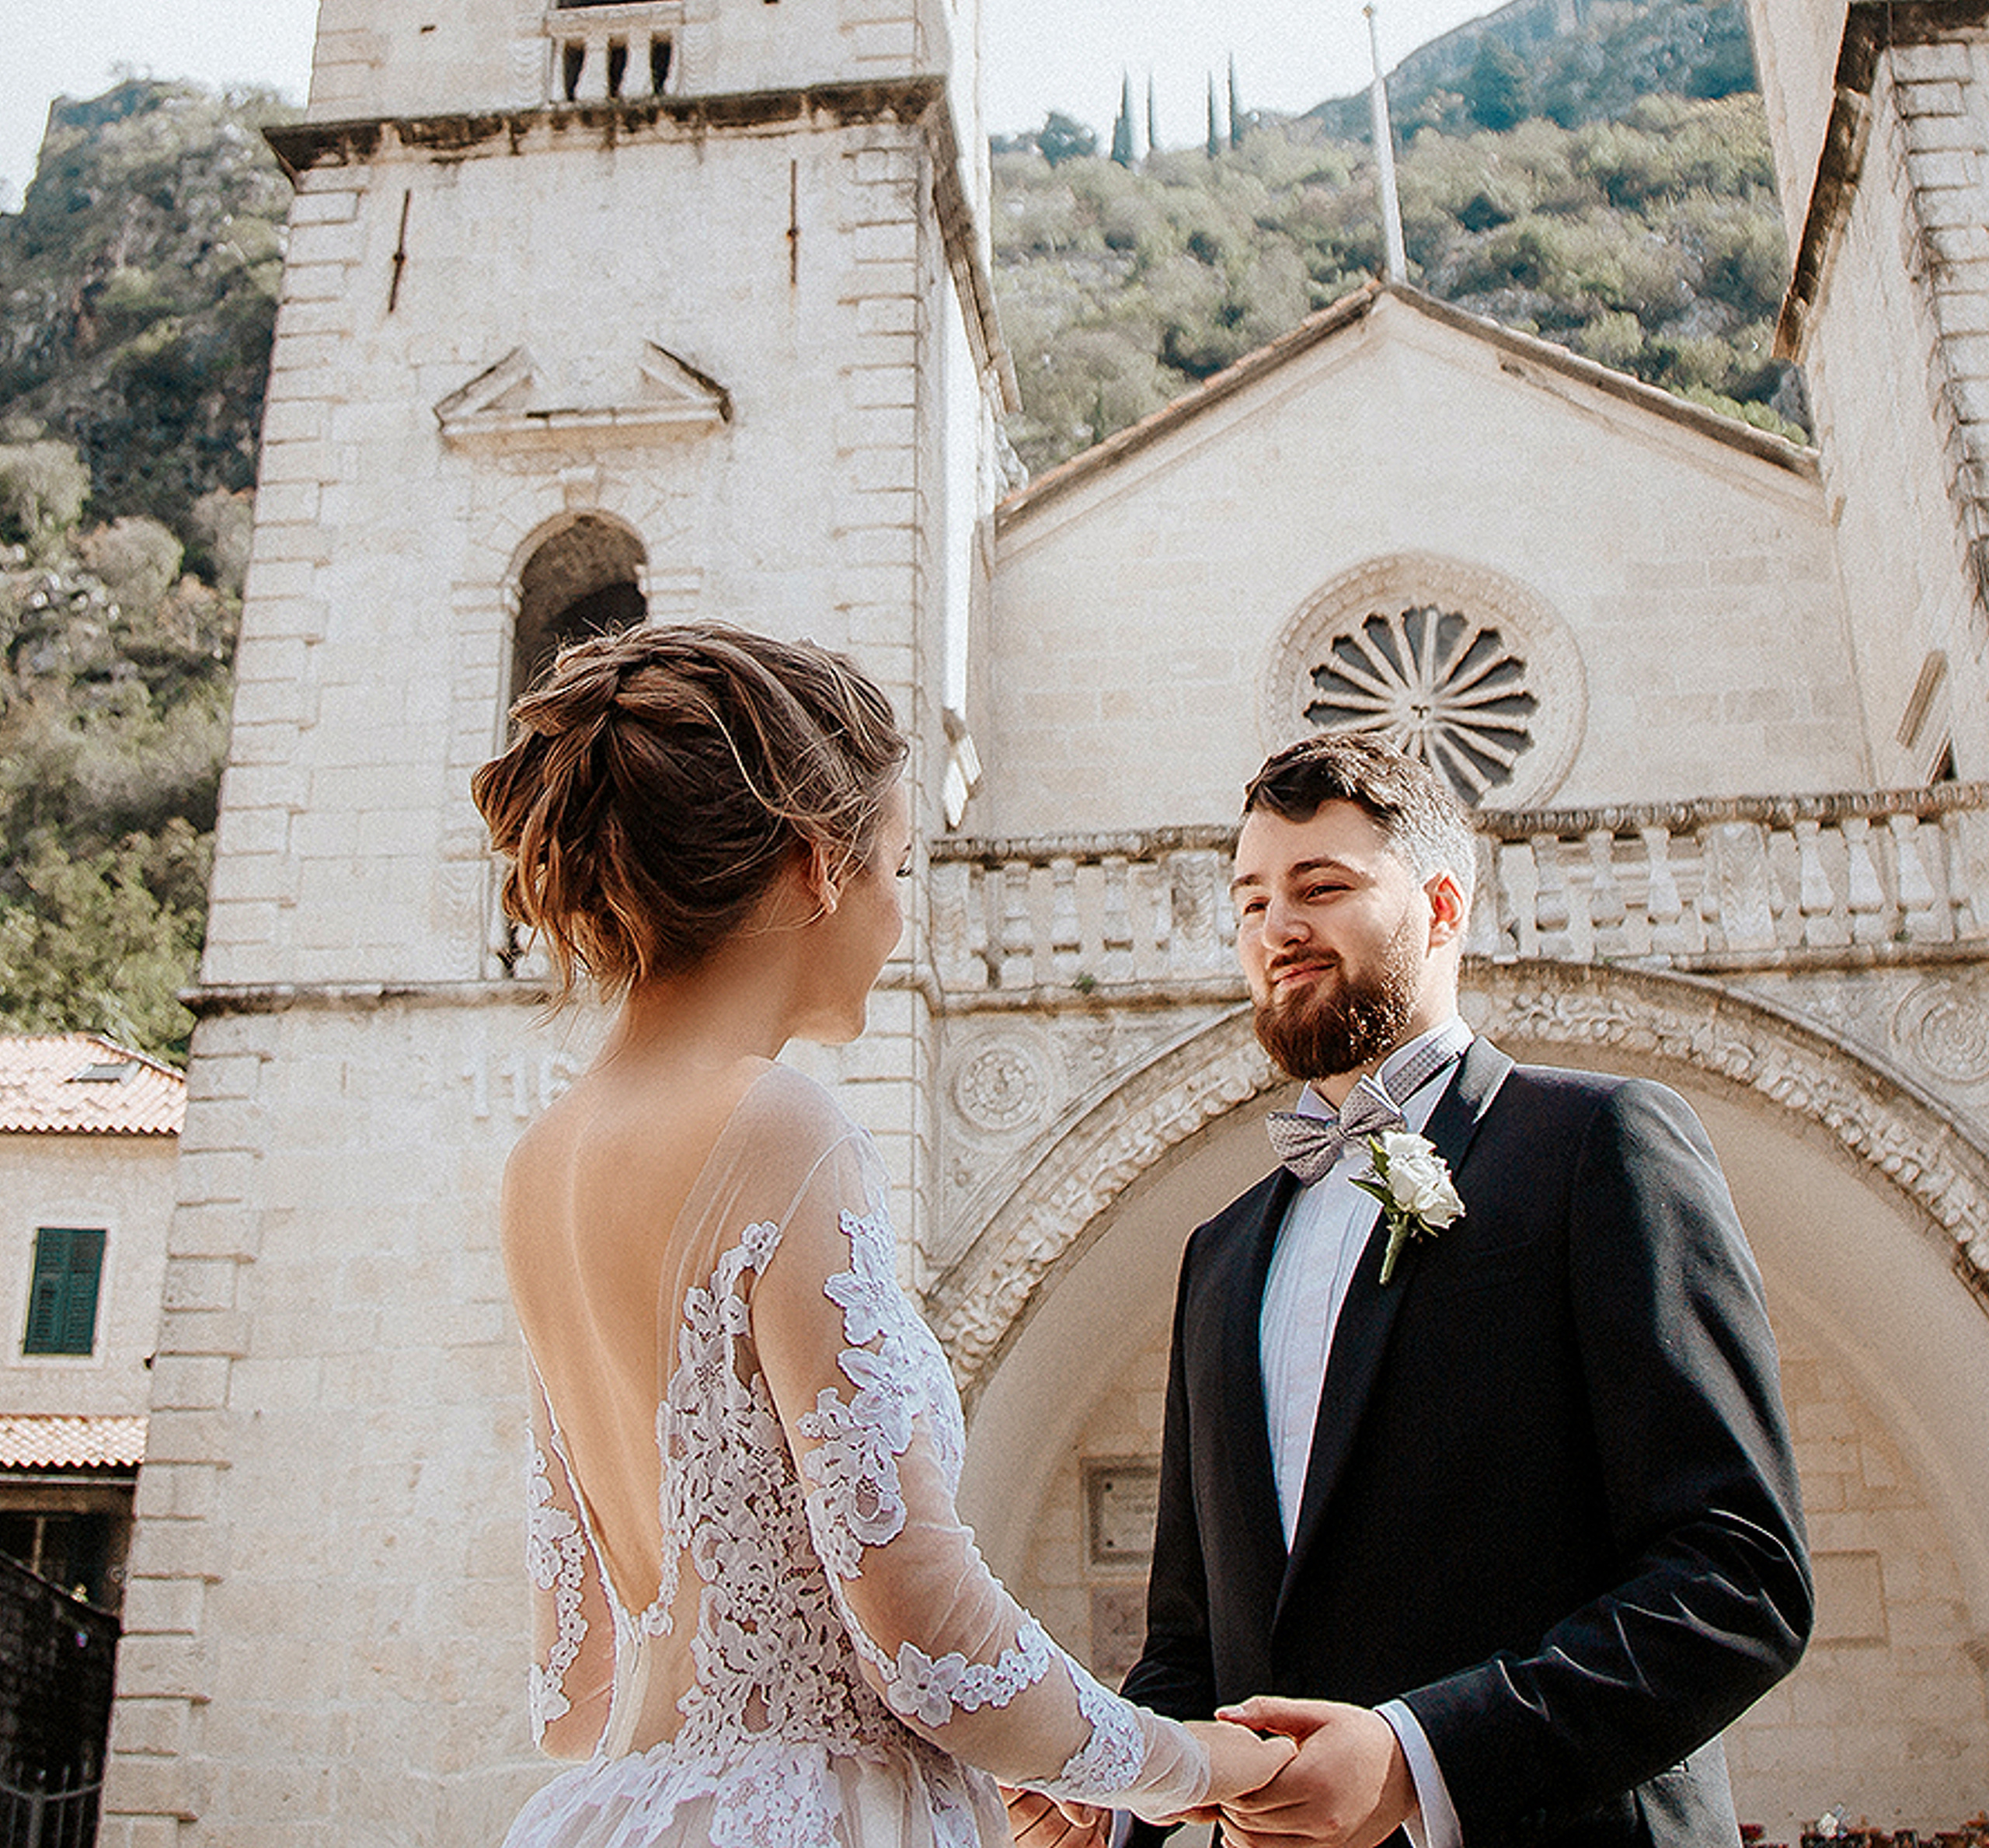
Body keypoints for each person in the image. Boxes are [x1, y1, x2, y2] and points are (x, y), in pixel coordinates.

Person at [472, 621, 1291, 1848]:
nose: (904, 917)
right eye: (901, 867)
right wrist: (1197, 1763)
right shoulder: (781, 1129)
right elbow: (921, 1624)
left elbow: (576, 1681)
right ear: (818, 865)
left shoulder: (540, 1165)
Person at [1120, 731, 1813, 1848]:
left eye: (1323, 887)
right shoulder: (1219, 1254)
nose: (1276, 929)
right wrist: (1112, 1797)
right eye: (1250, 901)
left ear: (1443, 906)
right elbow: (1190, 1648)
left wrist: (1417, 1756)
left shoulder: (1598, 1145)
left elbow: (1738, 1579)